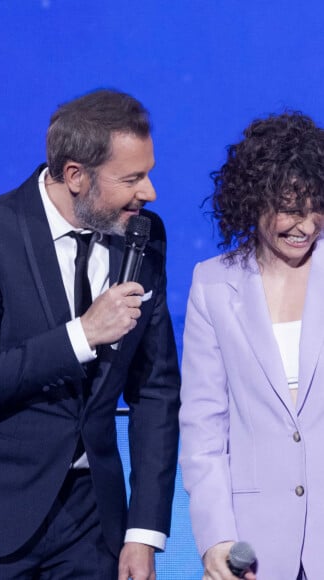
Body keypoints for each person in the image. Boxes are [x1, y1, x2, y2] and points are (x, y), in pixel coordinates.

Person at [0, 89, 180, 579]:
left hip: (91, 522)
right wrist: (82, 334)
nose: (149, 192)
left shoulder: (144, 234)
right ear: (75, 175)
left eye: (148, 173)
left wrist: (142, 533)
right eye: (132, 178)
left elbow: (156, 390)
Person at [179, 112, 324, 580]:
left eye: (316, 207)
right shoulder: (213, 285)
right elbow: (204, 429)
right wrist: (217, 539)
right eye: (289, 208)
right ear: (254, 202)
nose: (305, 224)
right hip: (256, 548)